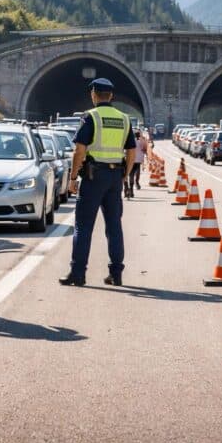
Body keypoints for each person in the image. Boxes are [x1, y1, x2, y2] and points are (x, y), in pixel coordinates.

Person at [59, 78, 137, 287]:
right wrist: (125, 174)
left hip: (93, 177)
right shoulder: (124, 119)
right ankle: (116, 274)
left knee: (83, 227)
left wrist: (73, 178)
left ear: (93, 94)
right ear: (111, 96)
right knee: (114, 226)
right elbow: (131, 151)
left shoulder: (91, 116)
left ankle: (78, 273)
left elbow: (80, 150)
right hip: (115, 177)